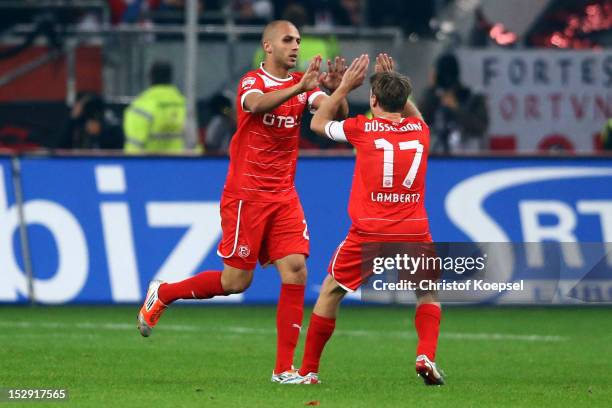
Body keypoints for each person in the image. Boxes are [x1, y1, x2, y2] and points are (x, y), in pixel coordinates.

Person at [136, 20, 349, 382]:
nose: (295, 46)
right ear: (269, 46)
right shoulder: (253, 81)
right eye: (287, 40)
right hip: (246, 195)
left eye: (297, 40)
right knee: (236, 282)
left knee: (296, 269)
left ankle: (284, 369)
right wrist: (301, 86)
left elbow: (335, 116)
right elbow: (255, 105)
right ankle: (165, 293)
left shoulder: (305, 86)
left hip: (283, 195)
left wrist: (339, 89)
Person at [281, 54, 444, 385]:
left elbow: (316, 124)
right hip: (414, 230)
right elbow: (415, 116)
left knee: (330, 291)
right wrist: (394, 84)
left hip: (369, 231)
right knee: (426, 294)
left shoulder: (363, 128)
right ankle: (425, 354)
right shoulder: (420, 132)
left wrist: (342, 88)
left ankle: (309, 370)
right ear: (403, 100)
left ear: (372, 100)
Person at [419, 52, 488, 154]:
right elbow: (418, 124)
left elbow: (480, 128)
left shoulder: (473, 97)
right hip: (435, 157)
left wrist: (456, 108)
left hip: (467, 158)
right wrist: (431, 90)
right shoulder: (433, 98)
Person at [123, 61, 187, 153]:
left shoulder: (140, 106)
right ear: (171, 78)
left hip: (150, 165)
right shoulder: (184, 105)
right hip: (182, 165)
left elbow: (134, 146)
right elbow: (193, 144)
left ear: (150, 77)